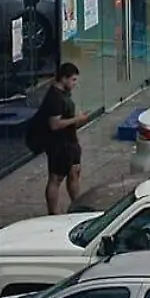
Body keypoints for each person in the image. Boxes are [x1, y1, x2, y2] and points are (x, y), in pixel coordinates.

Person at [37, 63, 91, 215]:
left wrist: (78, 119)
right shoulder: (54, 98)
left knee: (74, 172)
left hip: (71, 142)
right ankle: (53, 213)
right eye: (73, 80)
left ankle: (77, 206)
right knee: (56, 178)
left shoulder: (64, 95)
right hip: (59, 144)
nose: (75, 83)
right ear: (64, 78)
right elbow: (54, 124)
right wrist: (76, 119)